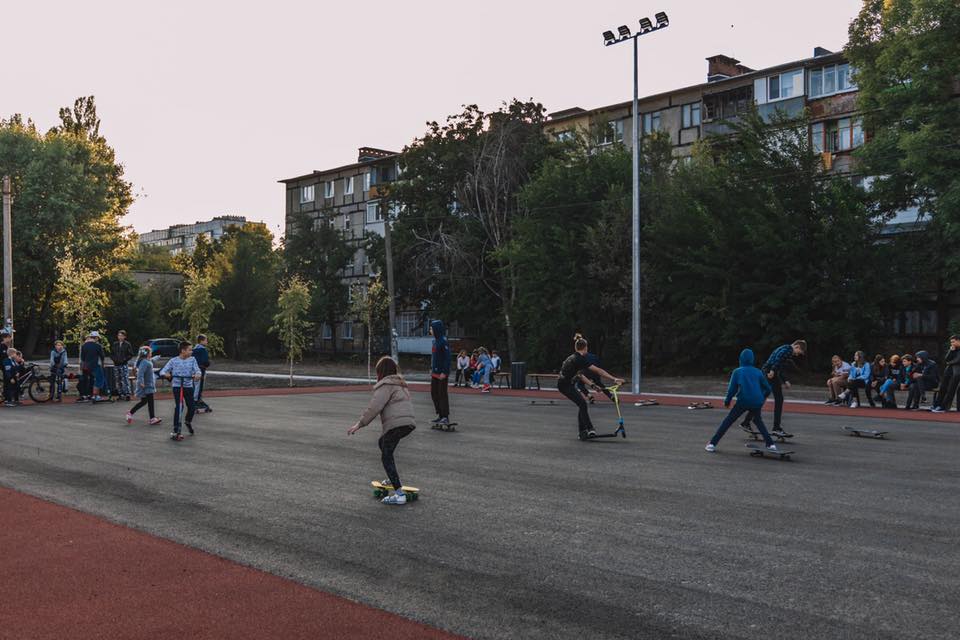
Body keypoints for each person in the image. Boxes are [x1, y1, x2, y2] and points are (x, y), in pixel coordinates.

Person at [347, 356, 417, 505]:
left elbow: (374, 407)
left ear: (381, 372)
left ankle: (399, 495)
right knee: (383, 444)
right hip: (408, 423)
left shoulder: (386, 385)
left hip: (397, 424)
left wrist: (359, 424)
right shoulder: (400, 384)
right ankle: (391, 476)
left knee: (386, 456)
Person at [706, 348, 777, 452]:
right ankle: (771, 445)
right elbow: (768, 388)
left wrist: (727, 401)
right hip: (757, 401)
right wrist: (761, 398)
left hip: (743, 401)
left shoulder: (737, 372)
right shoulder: (758, 372)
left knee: (728, 421)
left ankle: (712, 443)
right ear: (752, 359)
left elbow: (732, 389)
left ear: (741, 359)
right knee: (758, 421)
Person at [557, 334, 623, 441]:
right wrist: (614, 379)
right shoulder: (579, 359)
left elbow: (580, 375)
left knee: (581, 404)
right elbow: (598, 370)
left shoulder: (574, 357)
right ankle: (590, 429)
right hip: (565, 385)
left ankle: (582, 432)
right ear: (585, 347)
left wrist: (592, 385)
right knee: (582, 404)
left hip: (565, 383)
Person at [742, 340, 806, 435]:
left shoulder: (784, 348)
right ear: (796, 346)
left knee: (762, 397)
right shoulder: (788, 349)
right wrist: (772, 370)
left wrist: (784, 380)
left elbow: (780, 365)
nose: (796, 355)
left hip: (767, 372)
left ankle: (747, 421)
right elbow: (778, 359)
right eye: (798, 352)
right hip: (770, 373)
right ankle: (776, 427)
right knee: (779, 399)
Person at [159, 341, 202, 441]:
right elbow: (163, 371)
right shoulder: (173, 361)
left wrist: (197, 375)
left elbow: (197, 370)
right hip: (177, 386)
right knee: (179, 407)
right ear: (183, 350)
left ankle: (188, 421)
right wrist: (166, 374)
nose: (192, 352)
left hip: (188, 386)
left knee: (191, 407)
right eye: (190, 350)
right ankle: (176, 430)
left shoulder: (192, 359)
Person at [126, 346, 162, 425]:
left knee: (144, 401)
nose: (151, 353)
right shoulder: (144, 362)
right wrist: (141, 382)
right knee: (150, 402)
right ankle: (152, 418)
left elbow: (151, 361)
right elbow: (140, 373)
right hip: (147, 385)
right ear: (147, 354)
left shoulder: (146, 361)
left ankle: (130, 412)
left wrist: (157, 357)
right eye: (150, 352)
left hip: (148, 384)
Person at [428, 320, 451, 426]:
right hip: (435, 372)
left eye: (431, 328)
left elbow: (447, 358)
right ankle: (440, 415)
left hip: (441, 374)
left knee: (442, 395)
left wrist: (445, 371)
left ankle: (445, 416)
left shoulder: (443, 341)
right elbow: (434, 357)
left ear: (437, 329)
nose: (430, 330)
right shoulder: (435, 341)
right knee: (434, 394)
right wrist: (431, 368)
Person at [932, 335, 960, 413]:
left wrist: (949, 363)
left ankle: (943, 407)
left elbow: (958, 360)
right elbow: (946, 359)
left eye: (953, 342)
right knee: (943, 387)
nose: (952, 344)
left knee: (950, 389)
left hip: (957, 371)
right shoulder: (953, 349)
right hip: (950, 370)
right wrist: (951, 351)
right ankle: (937, 404)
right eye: (951, 342)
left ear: (958, 341)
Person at [79, 331, 107, 403]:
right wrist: (103, 365)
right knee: (99, 379)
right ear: (96, 338)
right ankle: (95, 395)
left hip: (86, 366)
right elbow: (102, 356)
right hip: (95, 365)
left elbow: (82, 358)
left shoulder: (84, 346)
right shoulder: (98, 346)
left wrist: (82, 367)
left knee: (90, 380)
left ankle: (88, 394)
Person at [110, 330, 134, 401]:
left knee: (125, 379)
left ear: (124, 337)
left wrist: (124, 359)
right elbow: (111, 354)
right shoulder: (115, 344)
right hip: (116, 364)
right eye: (119, 335)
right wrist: (114, 359)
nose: (120, 337)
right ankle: (120, 394)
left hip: (124, 364)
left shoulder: (127, 344)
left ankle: (127, 394)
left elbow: (130, 354)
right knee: (118, 379)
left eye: (121, 336)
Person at [192, 334, 212, 412]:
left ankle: (195, 400)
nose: (207, 342)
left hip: (194, 370)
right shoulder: (203, 350)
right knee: (199, 386)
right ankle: (197, 401)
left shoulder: (193, 350)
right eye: (206, 340)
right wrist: (207, 363)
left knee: (195, 385)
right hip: (201, 370)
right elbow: (205, 361)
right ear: (201, 341)